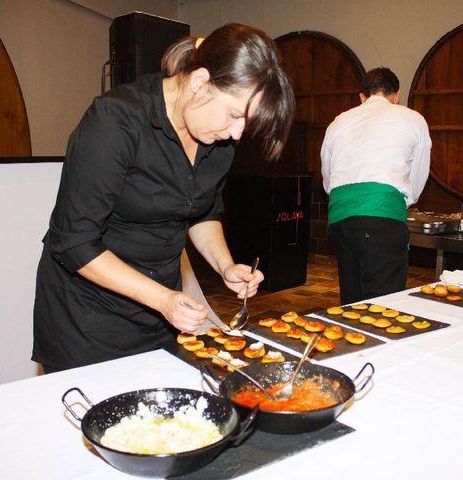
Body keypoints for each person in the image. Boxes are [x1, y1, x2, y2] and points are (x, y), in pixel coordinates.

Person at [32, 23, 295, 373]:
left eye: (245, 125)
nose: (235, 133)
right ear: (200, 82)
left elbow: (202, 213)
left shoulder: (217, 137)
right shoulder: (115, 121)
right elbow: (74, 242)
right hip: (89, 319)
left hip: (160, 317)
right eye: (234, 115)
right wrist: (162, 298)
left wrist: (225, 265)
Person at [320, 67, 431, 305]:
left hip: (340, 218)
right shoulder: (412, 118)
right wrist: (404, 202)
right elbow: (418, 176)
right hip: (381, 216)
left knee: (351, 301)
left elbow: (328, 178)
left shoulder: (338, 121)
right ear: (396, 95)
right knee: (383, 304)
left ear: (363, 97)